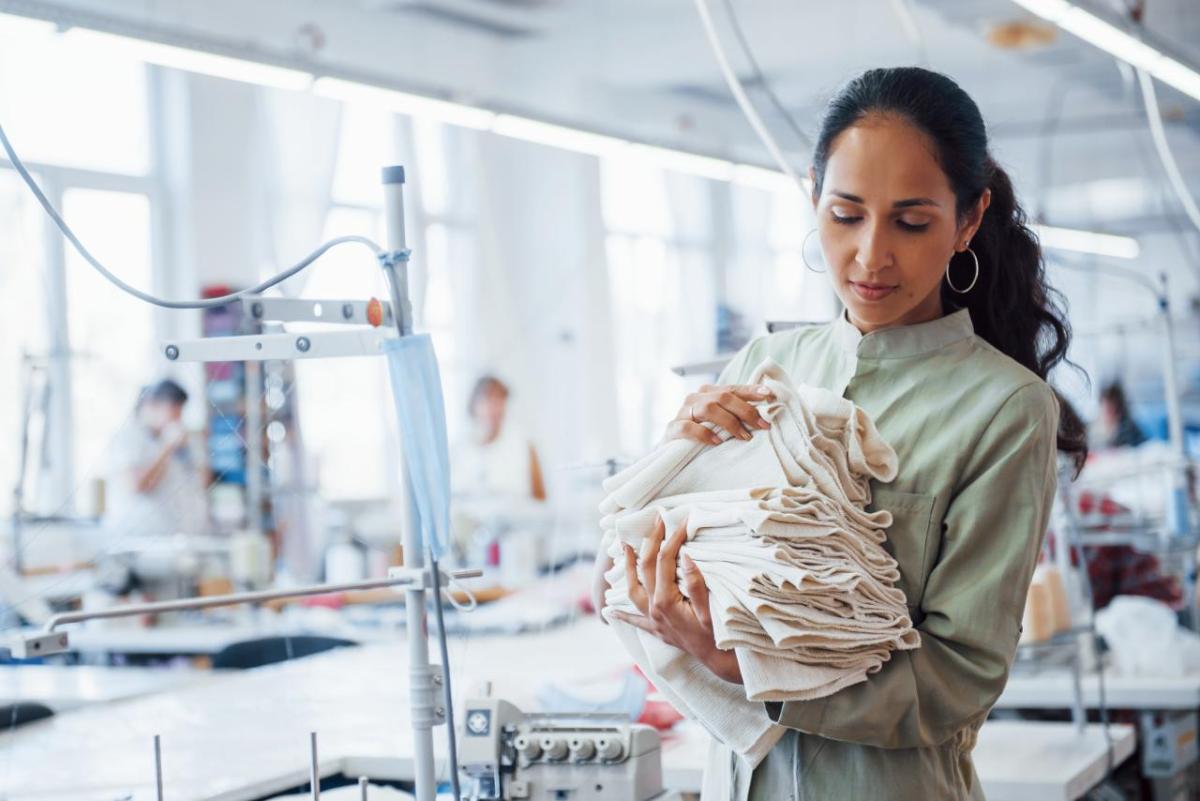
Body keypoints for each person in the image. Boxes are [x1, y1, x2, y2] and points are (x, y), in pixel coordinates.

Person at [594, 67, 1086, 800]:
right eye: (845, 214)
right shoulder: (764, 366)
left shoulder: (1005, 408)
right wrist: (674, 474)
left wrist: (751, 668)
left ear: (969, 221)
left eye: (912, 222)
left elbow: (959, 677)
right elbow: (659, 555)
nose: (869, 256)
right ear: (813, 196)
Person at [104, 378, 207, 540]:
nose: (178, 420)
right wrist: (167, 448)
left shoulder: (168, 439)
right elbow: (139, 485)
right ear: (152, 405)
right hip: (136, 538)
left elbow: (200, 482)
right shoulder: (128, 437)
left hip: (168, 538)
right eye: (173, 412)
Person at [453, 375, 546, 502]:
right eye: (488, 399)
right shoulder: (456, 450)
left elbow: (541, 500)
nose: (494, 408)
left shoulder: (524, 446)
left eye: (500, 400)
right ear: (473, 404)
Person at [1095, 380, 1148, 449]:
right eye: (1104, 405)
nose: (1106, 409)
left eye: (1110, 406)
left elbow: (1121, 448)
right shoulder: (1099, 425)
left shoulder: (1128, 427)